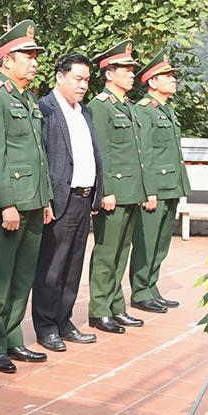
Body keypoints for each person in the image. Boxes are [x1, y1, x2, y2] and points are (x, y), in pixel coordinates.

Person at [0, 23, 52, 373]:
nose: (35, 63)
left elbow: (38, 154)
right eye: (28, 57)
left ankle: (12, 336)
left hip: (33, 201)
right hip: (6, 205)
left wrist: (45, 199)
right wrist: (7, 204)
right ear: (6, 61)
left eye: (36, 57)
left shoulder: (28, 98)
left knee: (23, 277)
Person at [34, 54, 103, 353]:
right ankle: (46, 326)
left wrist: (98, 192)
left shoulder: (84, 112)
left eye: (86, 80)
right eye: (78, 79)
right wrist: (45, 199)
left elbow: (93, 154)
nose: (83, 85)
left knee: (73, 265)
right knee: (52, 266)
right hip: (60, 199)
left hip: (83, 199)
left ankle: (64, 320)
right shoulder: (45, 109)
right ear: (60, 77)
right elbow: (40, 158)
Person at [86, 41, 149, 335]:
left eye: (132, 69)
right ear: (109, 74)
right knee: (106, 252)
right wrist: (105, 190)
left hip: (131, 191)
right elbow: (101, 152)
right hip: (114, 192)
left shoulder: (127, 106)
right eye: (125, 69)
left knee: (122, 252)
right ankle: (99, 309)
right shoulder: (100, 106)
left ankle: (116, 305)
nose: (131, 74)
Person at [129, 52, 188, 312]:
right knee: (147, 242)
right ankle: (140, 292)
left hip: (171, 186)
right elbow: (144, 154)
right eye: (167, 76)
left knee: (161, 243)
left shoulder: (166, 109)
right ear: (152, 82)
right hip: (155, 189)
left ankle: (151, 287)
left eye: (173, 75)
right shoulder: (144, 110)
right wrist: (149, 191)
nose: (173, 79)